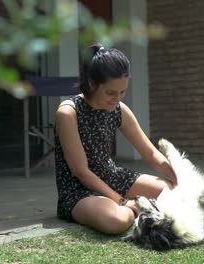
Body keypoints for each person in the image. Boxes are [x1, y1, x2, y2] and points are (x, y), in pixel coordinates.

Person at [54, 43, 176, 234]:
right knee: (115, 221)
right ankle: (140, 209)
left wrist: (182, 178)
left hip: (113, 177)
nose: (117, 98)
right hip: (79, 191)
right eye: (111, 92)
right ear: (92, 83)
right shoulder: (68, 112)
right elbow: (81, 172)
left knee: (173, 190)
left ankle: (141, 208)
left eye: (122, 92)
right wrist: (121, 201)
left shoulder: (119, 109)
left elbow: (150, 153)